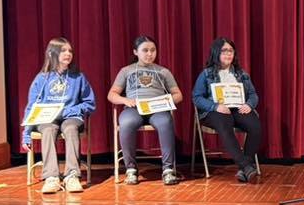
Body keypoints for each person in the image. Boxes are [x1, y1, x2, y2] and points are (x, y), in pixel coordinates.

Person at [20, 38, 96, 194]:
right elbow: (31, 107)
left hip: (71, 116)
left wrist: (72, 110)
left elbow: (90, 103)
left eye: (70, 51)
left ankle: (72, 176)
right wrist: (26, 133)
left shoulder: (78, 77)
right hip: (48, 118)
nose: (68, 54)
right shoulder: (42, 79)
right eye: (63, 51)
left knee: (70, 128)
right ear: (52, 54)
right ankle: (51, 178)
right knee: (48, 130)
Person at [107, 35, 183, 185]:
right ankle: (131, 169)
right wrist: (125, 100)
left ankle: (168, 170)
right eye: (145, 50)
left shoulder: (163, 72)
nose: (150, 54)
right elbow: (112, 94)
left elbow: (178, 95)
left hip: (157, 108)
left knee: (166, 122)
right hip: (135, 108)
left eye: (153, 50)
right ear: (136, 52)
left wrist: (165, 101)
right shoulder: (126, 71)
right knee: (126, 123)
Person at [192, 38, 262, 183]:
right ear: (216, 53)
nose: (228, 54)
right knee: (225, 122)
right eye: (224, 51)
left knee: (254, 125)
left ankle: (245, 168)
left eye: (231, 51)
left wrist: (249, 105)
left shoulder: (241, 74)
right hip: (214, 111)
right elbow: (197, 97)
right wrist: (215, 106)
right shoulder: (207, 74)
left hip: (237, 108)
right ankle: (246, 166)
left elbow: (253, 94)